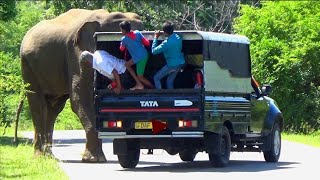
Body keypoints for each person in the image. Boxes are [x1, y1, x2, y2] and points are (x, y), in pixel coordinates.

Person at [119, 20, 154, 90]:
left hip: (139, 58)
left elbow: (121, 49)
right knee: (127, 65)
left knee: (139, 77)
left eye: (121, 30)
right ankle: (139, 84)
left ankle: (152, 88)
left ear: (124, 30)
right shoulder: (137, 33)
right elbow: (147, 43)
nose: (121, 31)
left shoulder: (124, 39)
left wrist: (122, 44)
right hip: (144, 54)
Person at [151, 21, 185, 89]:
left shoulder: (166, 43)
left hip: (172, 65)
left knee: (156, 78)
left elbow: (153, 51)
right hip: (180, 63)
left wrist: (155, 37)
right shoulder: (178, 37)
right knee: (169, 81)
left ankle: (160, 95)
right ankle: (171, 97)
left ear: (165, 32)